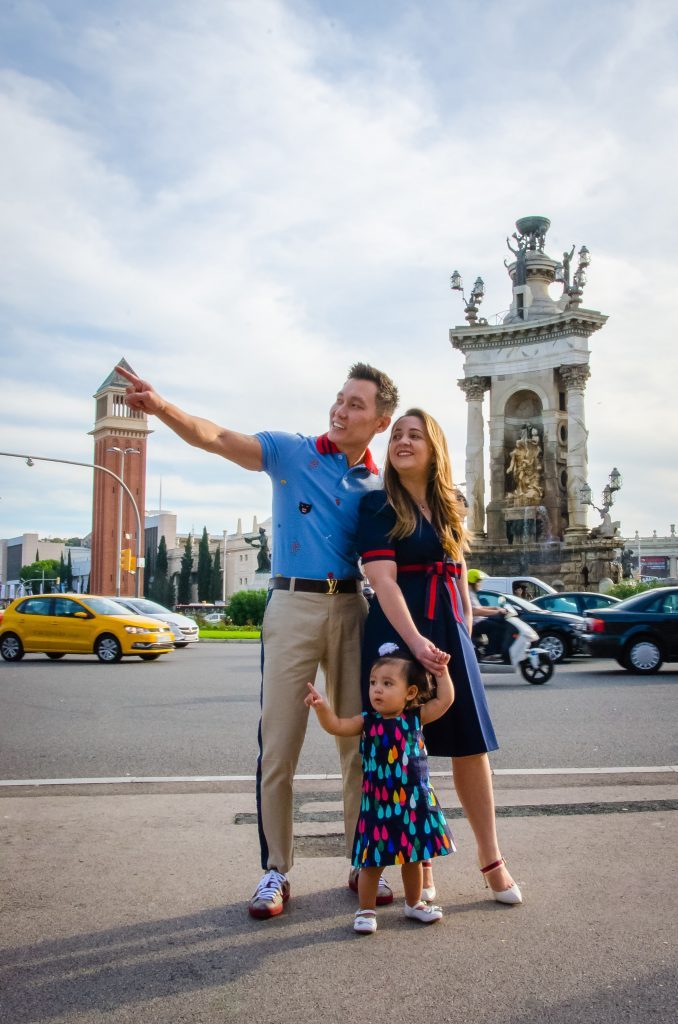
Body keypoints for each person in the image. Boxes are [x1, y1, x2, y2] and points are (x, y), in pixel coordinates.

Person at [116, 361, 399, 919]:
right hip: (292, 605)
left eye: (356, 405)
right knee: (280, 746)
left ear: (381, 421)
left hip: (352, 608)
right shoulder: (292, 451)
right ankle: (275, 872)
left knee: (359, 749)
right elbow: (219, 438)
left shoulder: (378, 485)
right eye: (339, 399)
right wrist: (163, 406)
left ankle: (361, 863)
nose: (341, 411)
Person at [357, 409, 523, 905]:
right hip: (398, 631)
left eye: (415, 435)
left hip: (446, 629)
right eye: (397, 436)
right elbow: (381, 581)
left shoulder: (452, 503)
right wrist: (415, 643)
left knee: (471, 744)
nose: (403, 442)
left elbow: (458, 564)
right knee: (407, 752)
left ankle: (491, 859)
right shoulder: (377, 506)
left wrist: (464, 626)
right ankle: (419, 863)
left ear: (434, 449)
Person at [305, 647, 455, 934]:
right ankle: (366, 909)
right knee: (372, 862)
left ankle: (414, 904)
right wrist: (322, 708)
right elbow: (336, 726)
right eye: (374, 683)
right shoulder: (367, 721)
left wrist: (442, 671)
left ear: (410, 693)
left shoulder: (415, 718)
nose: (377, 690)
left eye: (388, 684)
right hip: (378, 805)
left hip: (412, 802)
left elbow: (445, 700)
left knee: (413, 857)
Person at [468, 568, 514, 662]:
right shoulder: (469, 593)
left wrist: (495, 608)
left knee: (501, 623)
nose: (480, 584)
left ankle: (500, 652)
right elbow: (474, 611)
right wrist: (496, 612)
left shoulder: (472, 593)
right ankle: (490, 654)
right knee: (495, 627)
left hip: (478, 622)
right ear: (473, 582)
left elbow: (480, 608)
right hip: (473, 624)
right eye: (479, 581)